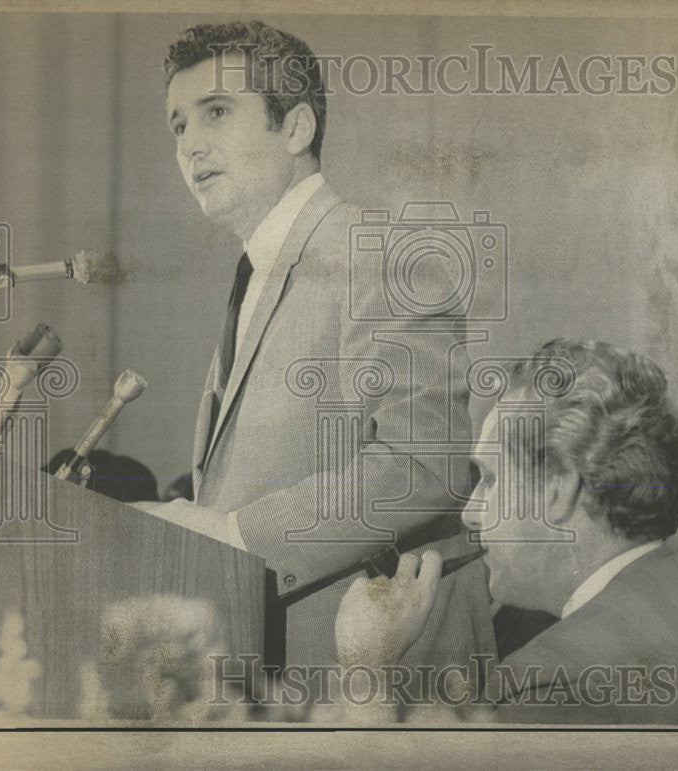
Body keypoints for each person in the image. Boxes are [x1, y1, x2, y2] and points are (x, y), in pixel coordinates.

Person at [139, 21, 494, 671]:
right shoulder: (257, 273)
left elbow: (422, 464)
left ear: (296, 128)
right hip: (276, 664)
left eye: (217, 111)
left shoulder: (381, 254)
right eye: (179, 124)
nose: (191, 144)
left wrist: (230, 536)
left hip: (376, 670)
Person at [335, 340, 678, 725]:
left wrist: (365, 669)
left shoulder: (547, 683)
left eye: (489, 479)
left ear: (558, 491)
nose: (471, 513)